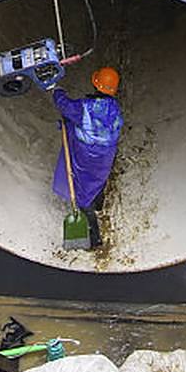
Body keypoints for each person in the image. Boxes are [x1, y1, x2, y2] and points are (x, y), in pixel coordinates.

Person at [51, 66, 124, 245]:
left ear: (96, 83)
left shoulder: (84, 107)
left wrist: (57, 90)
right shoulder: (115, 108)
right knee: (99, 179)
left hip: (87, 156)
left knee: (83, 190)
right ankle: (99, 202)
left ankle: (94, 236)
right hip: (107, 155)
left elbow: (64, 106)